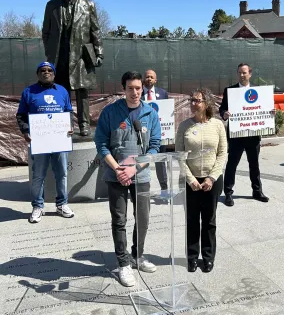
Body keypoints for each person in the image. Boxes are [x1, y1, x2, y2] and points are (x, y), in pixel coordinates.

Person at [94, 71, 161, 287]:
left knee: (143, 218)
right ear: (123, 88)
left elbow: (155, 146)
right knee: (119, 220)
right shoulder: (110, 112)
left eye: (138, 88)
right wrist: (118, 169)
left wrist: (134, 168)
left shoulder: (150, 114)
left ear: (143, 89)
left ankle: (137, 255)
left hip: (140, 175)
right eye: (130, 88)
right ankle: (123, 264)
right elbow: (102, 144)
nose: (135, 92)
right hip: (116, 177)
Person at [42, 0, 104, 136]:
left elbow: (95, 31)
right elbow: (46, 32)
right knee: (62, 92)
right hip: (60, 55)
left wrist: (99, 53)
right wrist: (50, 52)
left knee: (82, 91)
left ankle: (84, 124)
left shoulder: (88, 5)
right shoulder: (52, 5)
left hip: (82, 56)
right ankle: (65, 124)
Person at [175, 88, 227, 273]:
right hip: (192, 182)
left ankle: (208, 257)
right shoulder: (184, 126)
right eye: (192, 100)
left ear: (207, 104)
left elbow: (222, 153)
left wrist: (212, 178)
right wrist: (190, 179)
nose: (193, 103)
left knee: (209, 220)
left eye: (198, 100)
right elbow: (180, 156)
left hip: (212, 181)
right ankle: (191, 257)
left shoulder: (218, 125)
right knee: (192, 220)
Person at [16, 62, 75, 223]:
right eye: (43, 70)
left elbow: (68, 112)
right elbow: (20, 115)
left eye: (49, 70)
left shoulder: (62, 91)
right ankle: (38, 206)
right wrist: (26, 131)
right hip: (39, 142)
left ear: (54, 74)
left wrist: (70, 126)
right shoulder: (29, 92)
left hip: (59, 141)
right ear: (38, 74)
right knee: (38, 175)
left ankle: (62, 204)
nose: (46, 72)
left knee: (62, 173)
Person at [220, 63, 268, 206]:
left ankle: (257, 191)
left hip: (253, 135)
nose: (242, 75)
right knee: (232, 165)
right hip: (236, 134)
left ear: (250, 74)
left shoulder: (258, 91)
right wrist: (224, 114)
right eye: (240, 73)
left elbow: (264, 109)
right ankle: (228, 193)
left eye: (244, 73)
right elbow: (222, 109)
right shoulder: (230, 90)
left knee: (254, 165)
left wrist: (269, 115)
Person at [142, 69, 169, 192]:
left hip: (159, 134)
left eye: (151, 77)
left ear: (155, 80)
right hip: (142, 134)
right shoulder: (138, 93)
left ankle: (164, 188)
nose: (149, 79)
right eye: (147, 77)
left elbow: (167, 113)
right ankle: (141, 187)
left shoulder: (163, 93)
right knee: (142, 160)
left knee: (160, 162)